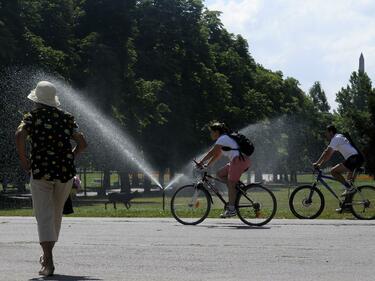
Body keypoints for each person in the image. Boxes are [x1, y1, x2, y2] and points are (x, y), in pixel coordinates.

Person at [15, 81, 87, 276]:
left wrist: (24, 159)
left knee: (43, 216)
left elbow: (20, 134)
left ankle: (48, 261)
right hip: (64, 174)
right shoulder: (66, 118)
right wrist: (70, 156)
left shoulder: (32, 117)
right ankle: (47, 257)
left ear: (37, 100)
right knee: (55, 216)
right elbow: (82, 142)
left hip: (40, 172)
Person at [198, 122, 251, 218]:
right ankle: (235, 190)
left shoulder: (222, 138)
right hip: (238, 161)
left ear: (217, 132)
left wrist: (201, 162)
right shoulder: (224, 139)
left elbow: (212, 152)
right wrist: (207, 165)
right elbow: (217, 154)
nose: (210, 134)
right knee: (219, 174)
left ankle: (231, 209)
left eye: (211, 132)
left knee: (231, 183)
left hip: (239, 161)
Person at [313, 125, 364, 210]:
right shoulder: (339, 137)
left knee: (334, 171)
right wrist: (319, 163)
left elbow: (327, 153)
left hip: (353, 159)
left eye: (326, 132)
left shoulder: (335, 138)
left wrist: (318, 164)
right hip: (356, 159)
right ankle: (347, 206)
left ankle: (349, 188)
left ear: (331, 132)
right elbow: (327, 153)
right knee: (348, 183)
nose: (326, 135)